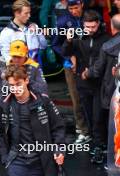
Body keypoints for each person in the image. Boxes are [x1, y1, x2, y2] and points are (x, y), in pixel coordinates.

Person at [0, 65, 65, 176]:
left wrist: (59, 149)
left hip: (42, 159)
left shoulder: (43, 101)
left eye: (18, 84)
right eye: (11, 85)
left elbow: (58, 127)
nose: (15, 89)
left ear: (26, 80)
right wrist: (4, 157)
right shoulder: (3, 104)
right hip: (16, 161)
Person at [62, 10, 111, 163]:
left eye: (93, 27)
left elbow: (104, 63)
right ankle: (94, 141)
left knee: (98, 116)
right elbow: (65, 52)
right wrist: (68, 41)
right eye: (87, 26)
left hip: (99, 83)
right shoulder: (79, 38)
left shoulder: (105, 39)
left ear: (99, 25)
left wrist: (91, 72)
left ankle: (99, 144)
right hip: (83, 83)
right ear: (83, 25)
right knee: (88, 114)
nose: (90, 29)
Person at [82, 13, 120, 168]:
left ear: (111, 27)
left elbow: (96, 70)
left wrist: (85, 73)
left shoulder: (108, 46)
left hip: (111, 91)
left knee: (107, 121)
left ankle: (106, 152)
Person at [52, 0, 89, 144]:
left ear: (82, 5)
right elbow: (55, 44)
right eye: (71, 8)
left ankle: (95, 130)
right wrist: (69, 56)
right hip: (70, 66)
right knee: (76, 98)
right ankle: (81, 130)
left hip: (89, 64)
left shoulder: (90, 17)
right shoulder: (62, 22)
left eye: (76, 7)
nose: (74, 11)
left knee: (92, 97)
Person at [0, 40, 48, 104]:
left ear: (26, 53)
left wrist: (25, 80)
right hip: (9, 106)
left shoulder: (34, 67)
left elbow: (44, 89)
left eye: (19, 56)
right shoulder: (4, 68)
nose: (16, 60)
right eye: (14, 56)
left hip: (30, 105)